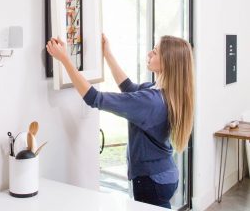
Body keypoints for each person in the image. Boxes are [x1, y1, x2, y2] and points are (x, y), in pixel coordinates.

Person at [46, 34, 194, 209]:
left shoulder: (151, 101)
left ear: (168, 62)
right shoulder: (163, 92)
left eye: (154, 52)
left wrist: (64, 59)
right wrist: (107, 53)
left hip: (151, 180)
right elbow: (128, 88)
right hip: (165, 174)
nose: (149, 54)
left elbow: (94, 98)